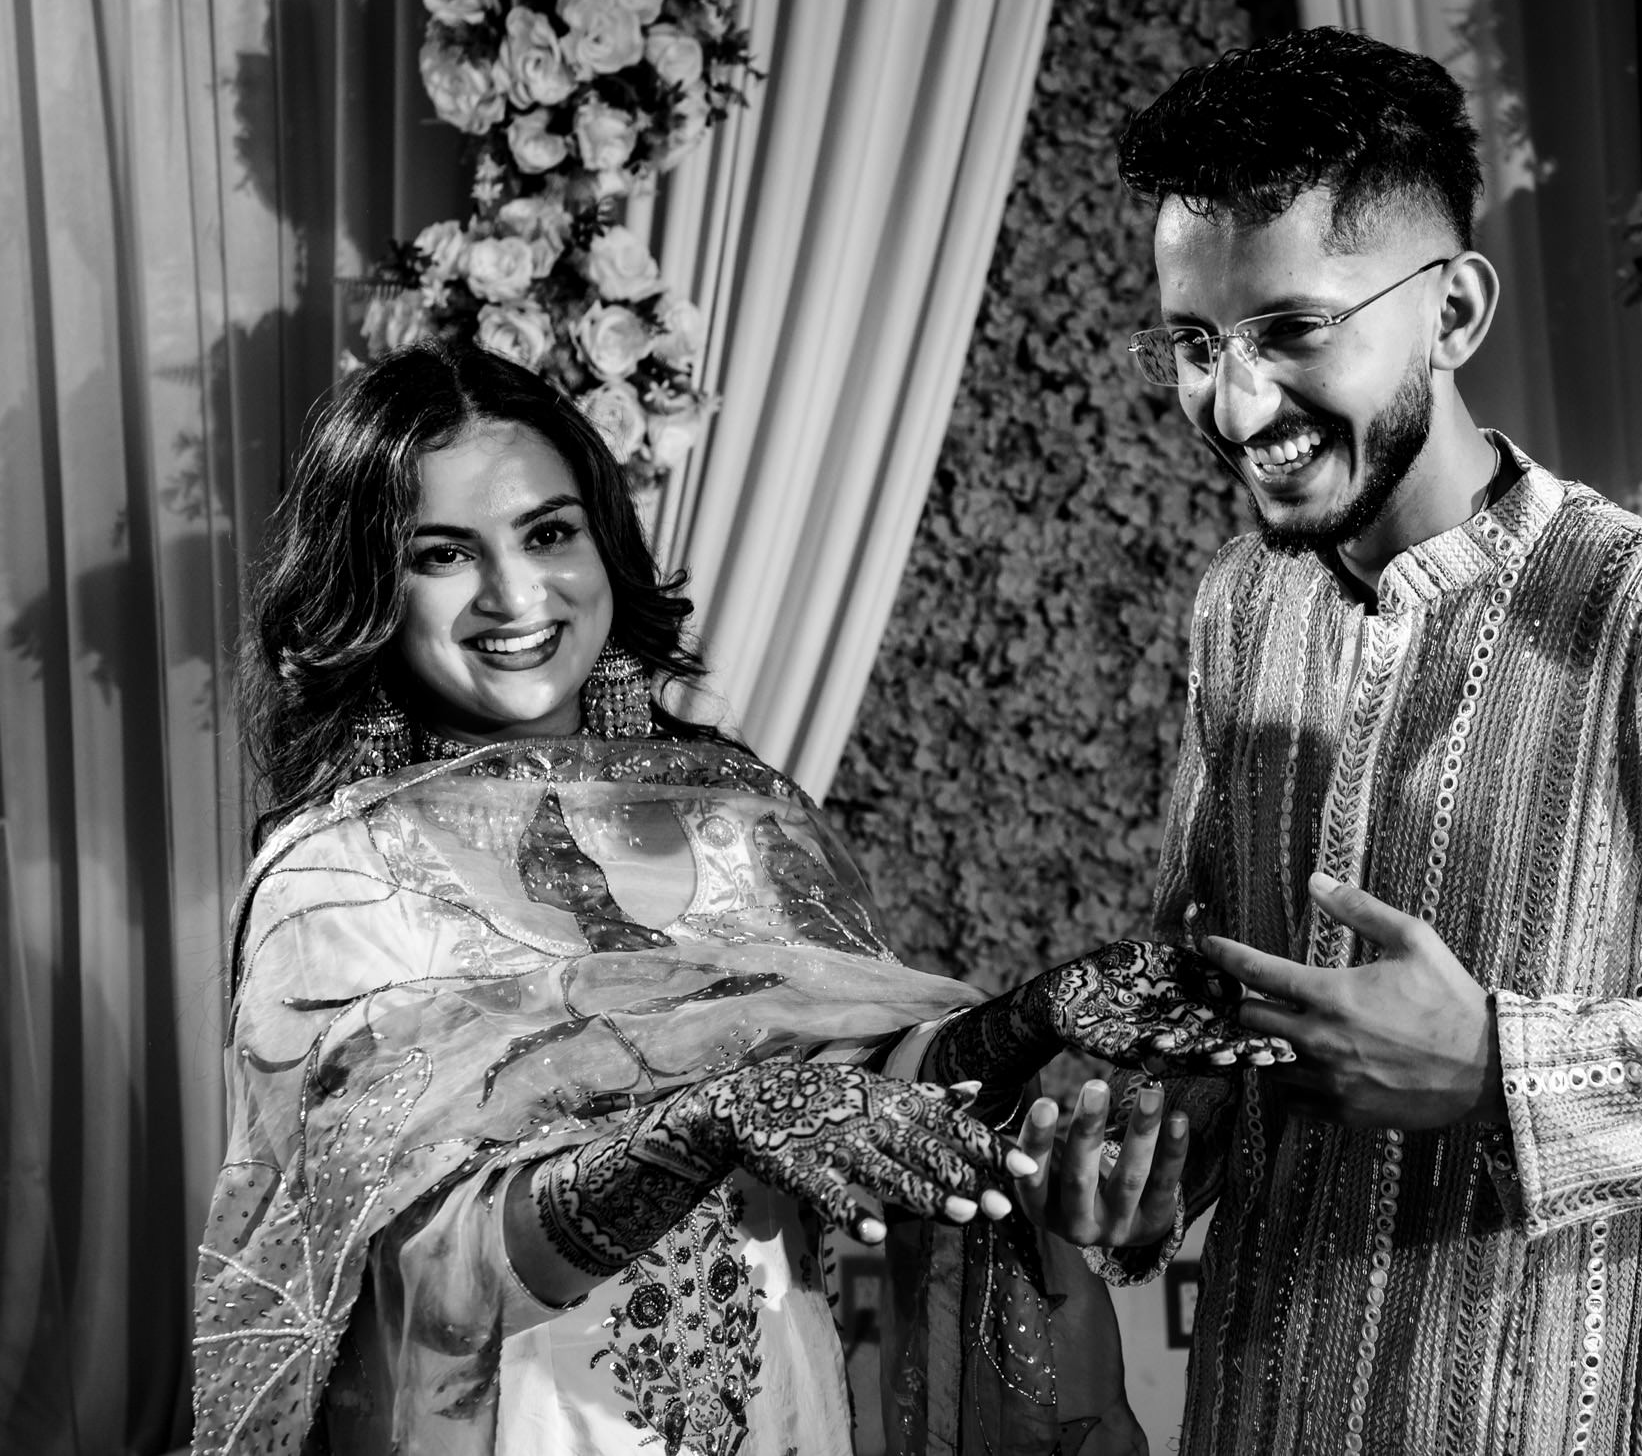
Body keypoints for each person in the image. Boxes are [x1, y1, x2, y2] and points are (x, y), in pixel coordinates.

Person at [1035, 27, 1642, 1455]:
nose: (1233, 406)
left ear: (1456, 309)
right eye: (1195, 343)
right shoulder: (1241, 607)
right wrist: (1147, 1141)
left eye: (1293, 329)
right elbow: (1214, 995)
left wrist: (1503, 1068)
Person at [192, 340, 1262, 1456]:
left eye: (550, 532)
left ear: (603, 539)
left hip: (781, 1412)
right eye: (444, 554)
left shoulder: (736, 819)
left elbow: (870, 1103)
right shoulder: (341, 875)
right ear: (369, 587)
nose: (516, 594)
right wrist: (701, 1124)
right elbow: (420, 1262)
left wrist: (1031, 1014)